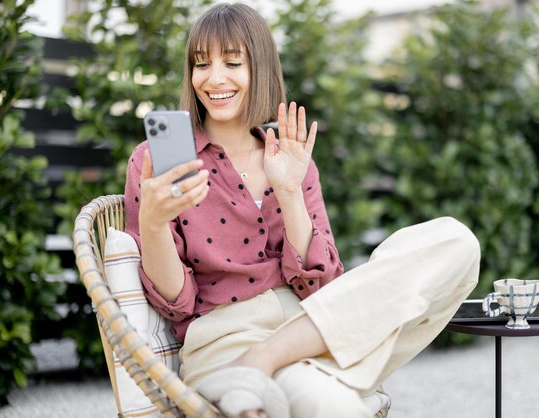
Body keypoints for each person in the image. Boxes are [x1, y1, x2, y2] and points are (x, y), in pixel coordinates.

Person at [124, 3, 480, 418]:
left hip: (313, 326)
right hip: (226, 340)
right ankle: (264, 366)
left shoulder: (290, 158)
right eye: (201, 64)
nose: (214, 78)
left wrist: (290, 192)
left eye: (232, 62)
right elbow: (176, 304)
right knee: (331, 404)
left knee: (456, 241)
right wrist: (153, 224)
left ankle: (266, 359)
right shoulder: (156, 161)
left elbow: (325, 287)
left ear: (260, 68)